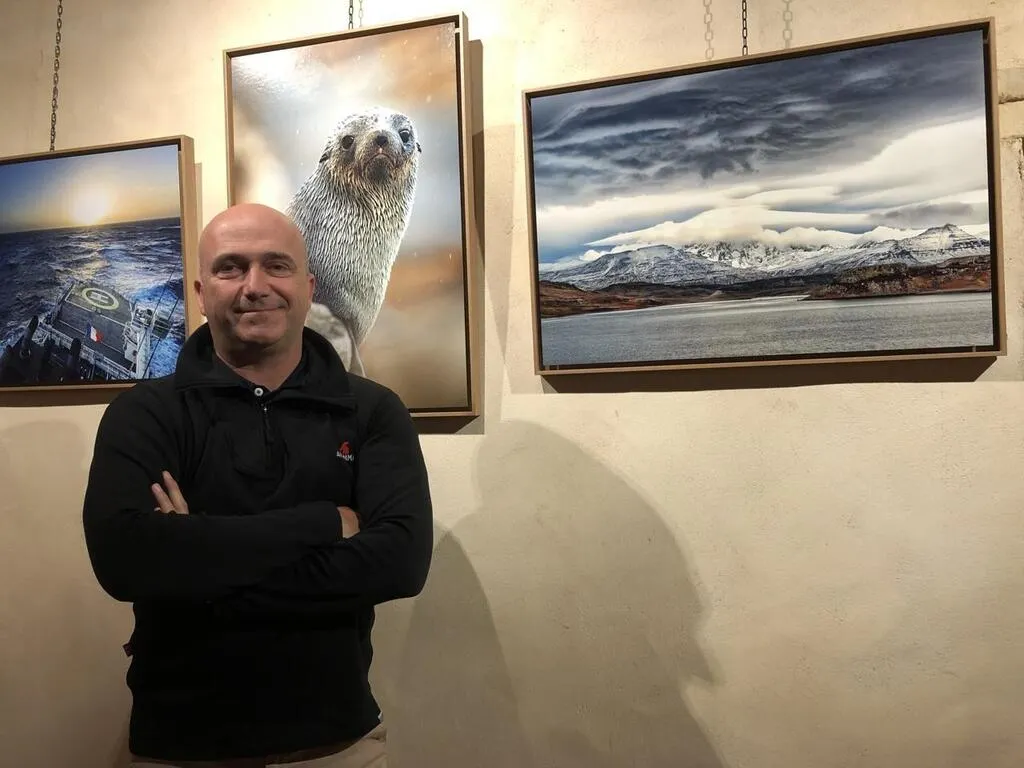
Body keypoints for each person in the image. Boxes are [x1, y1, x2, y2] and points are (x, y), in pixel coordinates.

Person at [82, 203, 433, 766]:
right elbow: (125, 562)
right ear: (201, 292)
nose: (255, 285)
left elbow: (402, 563)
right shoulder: (143, 414)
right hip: (178, 747)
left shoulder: (372, 411)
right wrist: (323, 522)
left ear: (308, 287)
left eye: (276, 265)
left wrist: (194, 557)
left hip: (336, 744)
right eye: (231, 267)